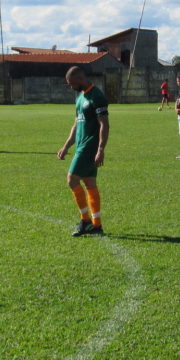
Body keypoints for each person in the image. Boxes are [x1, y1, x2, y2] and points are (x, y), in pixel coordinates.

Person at [57, 67, 109, 237]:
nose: (71, 87)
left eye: (71, 84)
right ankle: (97, 225)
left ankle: (85, 220)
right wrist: (66, 146)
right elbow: (76, 124)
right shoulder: (80, 98)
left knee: (71, 179)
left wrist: (100, 149)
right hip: (80, 146)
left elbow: (104, 124)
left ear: (79, 78)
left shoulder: (97, 96)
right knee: (90, 185)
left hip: (89, 147)